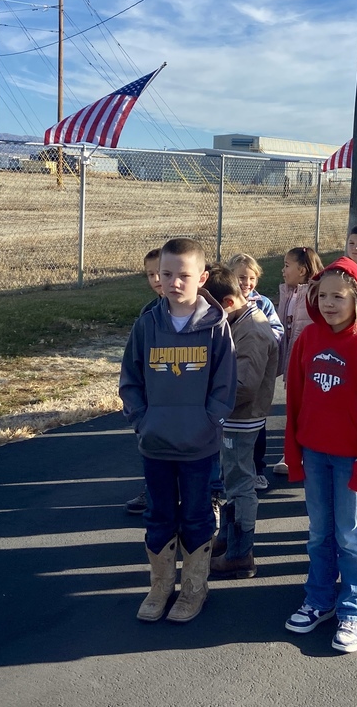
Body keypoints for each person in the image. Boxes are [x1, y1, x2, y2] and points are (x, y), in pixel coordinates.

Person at [119, 237, 237, 623]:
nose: (172, 282)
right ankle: (161, 585)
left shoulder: (216, 328)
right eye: (166, 274)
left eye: (183, 275)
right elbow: (131, 378)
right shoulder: (147, 324)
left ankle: (194, 589)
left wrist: (209, 422)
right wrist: (142, 420)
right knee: (159, 514)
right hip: (156, 443)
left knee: (198, 516)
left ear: (201, 278)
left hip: (199, 447)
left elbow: (225, 385)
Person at [283, 257, 357, 653]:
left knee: (349, 536)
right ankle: (319, 598)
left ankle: (353, 607)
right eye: (323, 295)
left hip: (350, 460)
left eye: (339, 296)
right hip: (315, 454)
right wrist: (293, 454)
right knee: (319, 533)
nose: (329, 303)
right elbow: (294, 397)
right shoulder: (309, 340)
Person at [202, 266, 278, 578]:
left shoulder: (253, 331)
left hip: (241, 418)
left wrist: (207, 392)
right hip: (233, 417)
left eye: (211, 308)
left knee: (241, 484)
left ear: (229, 302)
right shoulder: (239, 321)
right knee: (232, 480)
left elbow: (244, 384)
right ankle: (228, 538)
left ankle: (240, 553)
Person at [228, 252, 283, 492]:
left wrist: (264, 339)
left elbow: (277, 329)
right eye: (241, 278)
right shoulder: (226, 302)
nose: (246, 283)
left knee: (257, 424)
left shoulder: (263, 303)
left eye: (251, 278)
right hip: (235, 363)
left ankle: (258, 469)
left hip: (259, 367)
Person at [273, 246, 323, 476]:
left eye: (286, 265)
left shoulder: (314, 293)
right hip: (292, 359)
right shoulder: (288, 293)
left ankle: (305, 452)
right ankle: (292, 452)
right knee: (293, 407)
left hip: (308, 361)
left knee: (306, 408)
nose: (283, 270)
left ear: (302, 270)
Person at [125, 247, 166, 516]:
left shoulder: (203, 311)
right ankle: (152, 490)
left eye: (161, 273)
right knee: (153, 448)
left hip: (184, 395)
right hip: (154, 395)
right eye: (150, 274)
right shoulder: (148, 313)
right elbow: (134, 362)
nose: (156, 280)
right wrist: (138, 412)